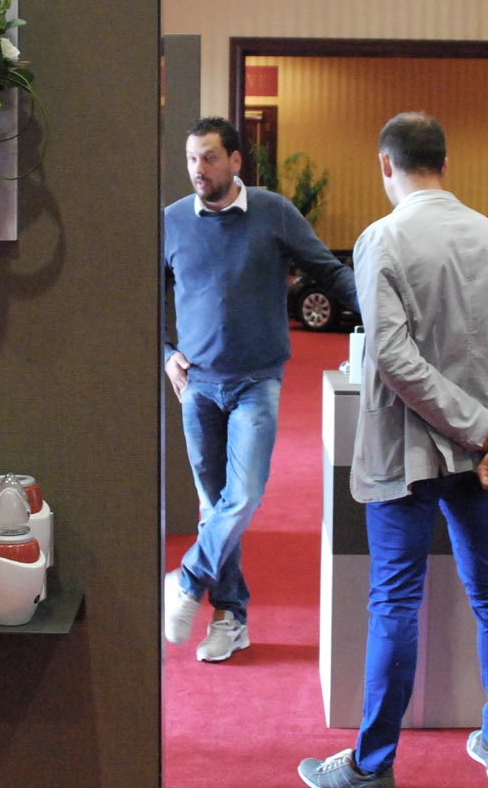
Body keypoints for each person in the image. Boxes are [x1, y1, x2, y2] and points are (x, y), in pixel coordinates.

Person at [297, 113, 488, 787]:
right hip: (482, 458)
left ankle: (372, 765)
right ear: (445, 162)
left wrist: (476, 429)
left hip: (405, 450)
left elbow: (391, 358)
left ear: (386, 165)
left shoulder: (381, 239)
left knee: (394, 602)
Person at [163, 117, 358, 663]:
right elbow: (146, 293)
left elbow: (327, 270)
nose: (198, 169)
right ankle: (231, 617)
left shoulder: (273, 212)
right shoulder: (172, 221)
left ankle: (187, 580)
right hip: (197, 385)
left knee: (243, 495)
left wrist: (380, 307)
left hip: (256, 381)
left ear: (235, 161)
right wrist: (165, 352)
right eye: (191, 159)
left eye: (208, 157)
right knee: (213, 509)